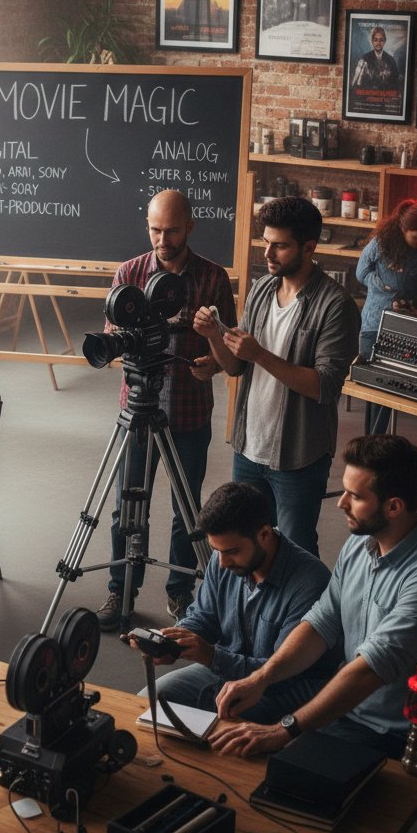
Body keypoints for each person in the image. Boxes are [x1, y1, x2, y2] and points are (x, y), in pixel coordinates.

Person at [212, 435, 417, 761]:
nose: (340, 502)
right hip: (347, 713)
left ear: (393, 507)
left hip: (397, 735)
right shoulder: (359, 545)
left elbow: (368, 670)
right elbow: (322, 622)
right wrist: (260, 679)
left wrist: (283, 730)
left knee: (277, 781)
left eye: (355, 496)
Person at [95, 190, 236, 631]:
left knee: (187, 510)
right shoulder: (130, 272)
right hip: (138, 411)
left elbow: (229, 346)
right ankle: (121, 589)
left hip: (189, 411)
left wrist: (210, 363)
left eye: (172, 230)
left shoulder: (213, 278)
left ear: (190, 226)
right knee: (126, 507)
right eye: (155, 230)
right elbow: (111, 336)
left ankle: (182, 594)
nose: (163, 238)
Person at [195, 196, 360, 557]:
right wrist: (213, 337)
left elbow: (326, 386)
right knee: (246, 542)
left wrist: (260, 354)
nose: (268, 253)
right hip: (249, 445)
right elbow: (238, 367)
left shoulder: (336, 306)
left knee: (294, 550)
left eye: (280, 245)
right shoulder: (262, 290)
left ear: (309, 247)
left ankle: (301, 615)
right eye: (265, 242)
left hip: (298, 455)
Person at [127, 482, 339, 723]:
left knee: (223, 728)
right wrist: (174, 642)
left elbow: (281, 675)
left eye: (232, 552)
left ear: (265, 534)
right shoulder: (225, 558)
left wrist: (212, 657)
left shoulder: (310, 584)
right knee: (145, 704)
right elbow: (204, 616)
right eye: (216, 550)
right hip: (226, 669)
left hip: (284, 690)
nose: (222, 563)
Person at [356, 199, 417, 434]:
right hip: (373, 323)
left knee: (390, 388)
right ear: (401, 229)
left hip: (405, 325)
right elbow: (361, 272)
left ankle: (373, 443)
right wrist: (380, 286)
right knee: (374, 389)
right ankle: (372, 443)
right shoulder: (381, 244)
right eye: (416, 237)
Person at [351, 26, 400, 91]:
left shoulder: (391, 60)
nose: (378, 43)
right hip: (368, 96)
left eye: (381, 40)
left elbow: (395, 82)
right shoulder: (365, 58)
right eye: (375, 40)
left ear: (384, 41)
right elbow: (358, 83)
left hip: (386, 96)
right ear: (372, 41)